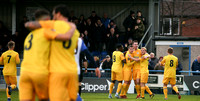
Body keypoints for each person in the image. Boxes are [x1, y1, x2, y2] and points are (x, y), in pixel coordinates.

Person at [20, 9, 76, 101]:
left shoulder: (29, 35)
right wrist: (73, 28)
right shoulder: (46, 31)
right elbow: (66, 37)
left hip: (24, 73)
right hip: (39, 72)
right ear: (46, 20)